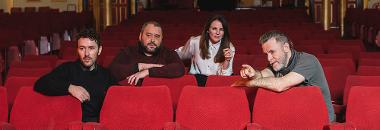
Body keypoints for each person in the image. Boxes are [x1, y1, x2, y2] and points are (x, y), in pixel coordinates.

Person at [232, 30, 335, 122]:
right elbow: (262, 75)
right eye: (266, 54)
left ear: (286, 47)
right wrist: (253, 74)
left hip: (321, 120)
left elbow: (281, 84)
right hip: (297, 116)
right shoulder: (276, 64)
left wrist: (249, 82)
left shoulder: (308, 60)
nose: (269, 58)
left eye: (272, 52)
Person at [34, 29, 116, 122]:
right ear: (77, 50)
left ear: (99, 50)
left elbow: (119, 99)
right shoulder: (67, 69)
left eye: (91, 48)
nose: (86, 54)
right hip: (70, 124)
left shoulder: (106, 75)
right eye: (82, 48)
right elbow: (40, 84)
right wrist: (70, 88)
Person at [108, 21, 185, 85]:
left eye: (157, 36)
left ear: (162, 39)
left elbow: (180, 68)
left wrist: (148, 72)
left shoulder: (168, 53)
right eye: (148, 35)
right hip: (131, 97)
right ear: (140, 36)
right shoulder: (128, 52)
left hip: (159, 97)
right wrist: (141, 66)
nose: (152, 40)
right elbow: (112, 71)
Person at [175, 15, 235, 86]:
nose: (218, 33)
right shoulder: (195, 42)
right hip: (197, 82)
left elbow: (225, 78)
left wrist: (227, 60)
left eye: (221, 29)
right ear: (207, 30)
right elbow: (181, 55)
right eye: (214, 29)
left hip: (216, 83)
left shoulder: (229, 47)